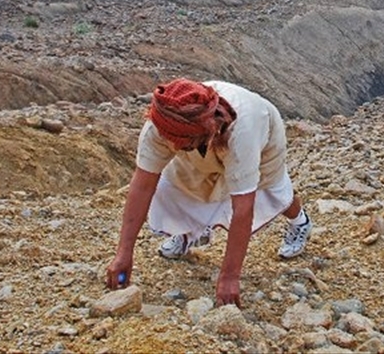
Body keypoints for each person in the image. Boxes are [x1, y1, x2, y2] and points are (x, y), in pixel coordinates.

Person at [106, 78, 312, 307]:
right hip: (197, 138)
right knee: (179, 184)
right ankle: (188, 233)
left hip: (261, 137)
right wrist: (123, 253)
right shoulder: (162, 125)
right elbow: (143, 185)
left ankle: (299, 221)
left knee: (272, 190)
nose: (172, 148)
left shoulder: (243, 131)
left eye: (180, 145)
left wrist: (230, 277)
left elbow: (243, 207)